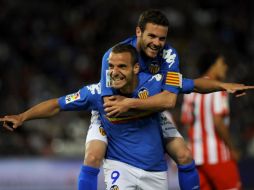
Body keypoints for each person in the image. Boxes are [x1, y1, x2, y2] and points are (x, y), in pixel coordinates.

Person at [83, 9, 252, 190]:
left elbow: (170, 100)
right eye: (152, 36)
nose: (157, 43)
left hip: (147, 111)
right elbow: (111, 106)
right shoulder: (113, 56)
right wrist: (147, 103)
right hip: (115, 117)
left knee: (184, 155)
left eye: (162, 38)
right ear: (138, 32)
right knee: (93, 157)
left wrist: (222, 85)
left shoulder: (169, 56)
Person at [1, 44, 173, 190]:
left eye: (122, 66)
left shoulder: (152, 85)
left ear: (135, 68)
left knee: (182, 154)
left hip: (144, 150)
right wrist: (22, 117)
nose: (114, 72)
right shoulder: (95, 93)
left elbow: (183, 88)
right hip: (106, 125)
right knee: (92, 157)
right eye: (111, 66)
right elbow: (56, 105)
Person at [181, 52, 242, 190]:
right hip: (217, 156)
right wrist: (232, 148)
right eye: (222, 63)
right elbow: (217, 120)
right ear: (213, 65)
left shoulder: (191, 89)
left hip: (195, 156)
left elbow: (184, 120)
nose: (225, 67)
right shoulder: (219, 88)